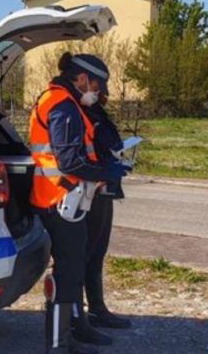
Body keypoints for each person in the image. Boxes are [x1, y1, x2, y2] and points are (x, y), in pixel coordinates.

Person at [29, 52, 127, 354]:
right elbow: (70, 161)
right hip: (59, 198)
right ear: (82, 78)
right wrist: (105, 172)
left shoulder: (63, 102)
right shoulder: (62, 105)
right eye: (97, 85)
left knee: (71, 271)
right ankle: (59, 344)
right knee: (68, 272)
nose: (98, 92)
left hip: (62, 198)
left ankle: (76, 328)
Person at [79, 92, 133, 331]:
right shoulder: (78, 111)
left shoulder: (96, 112)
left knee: (97, 252)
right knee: (85, 253)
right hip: (89, 191)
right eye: (102, 87)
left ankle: (97, 308)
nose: (107, 93)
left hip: (103, 189)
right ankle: (78, 313)